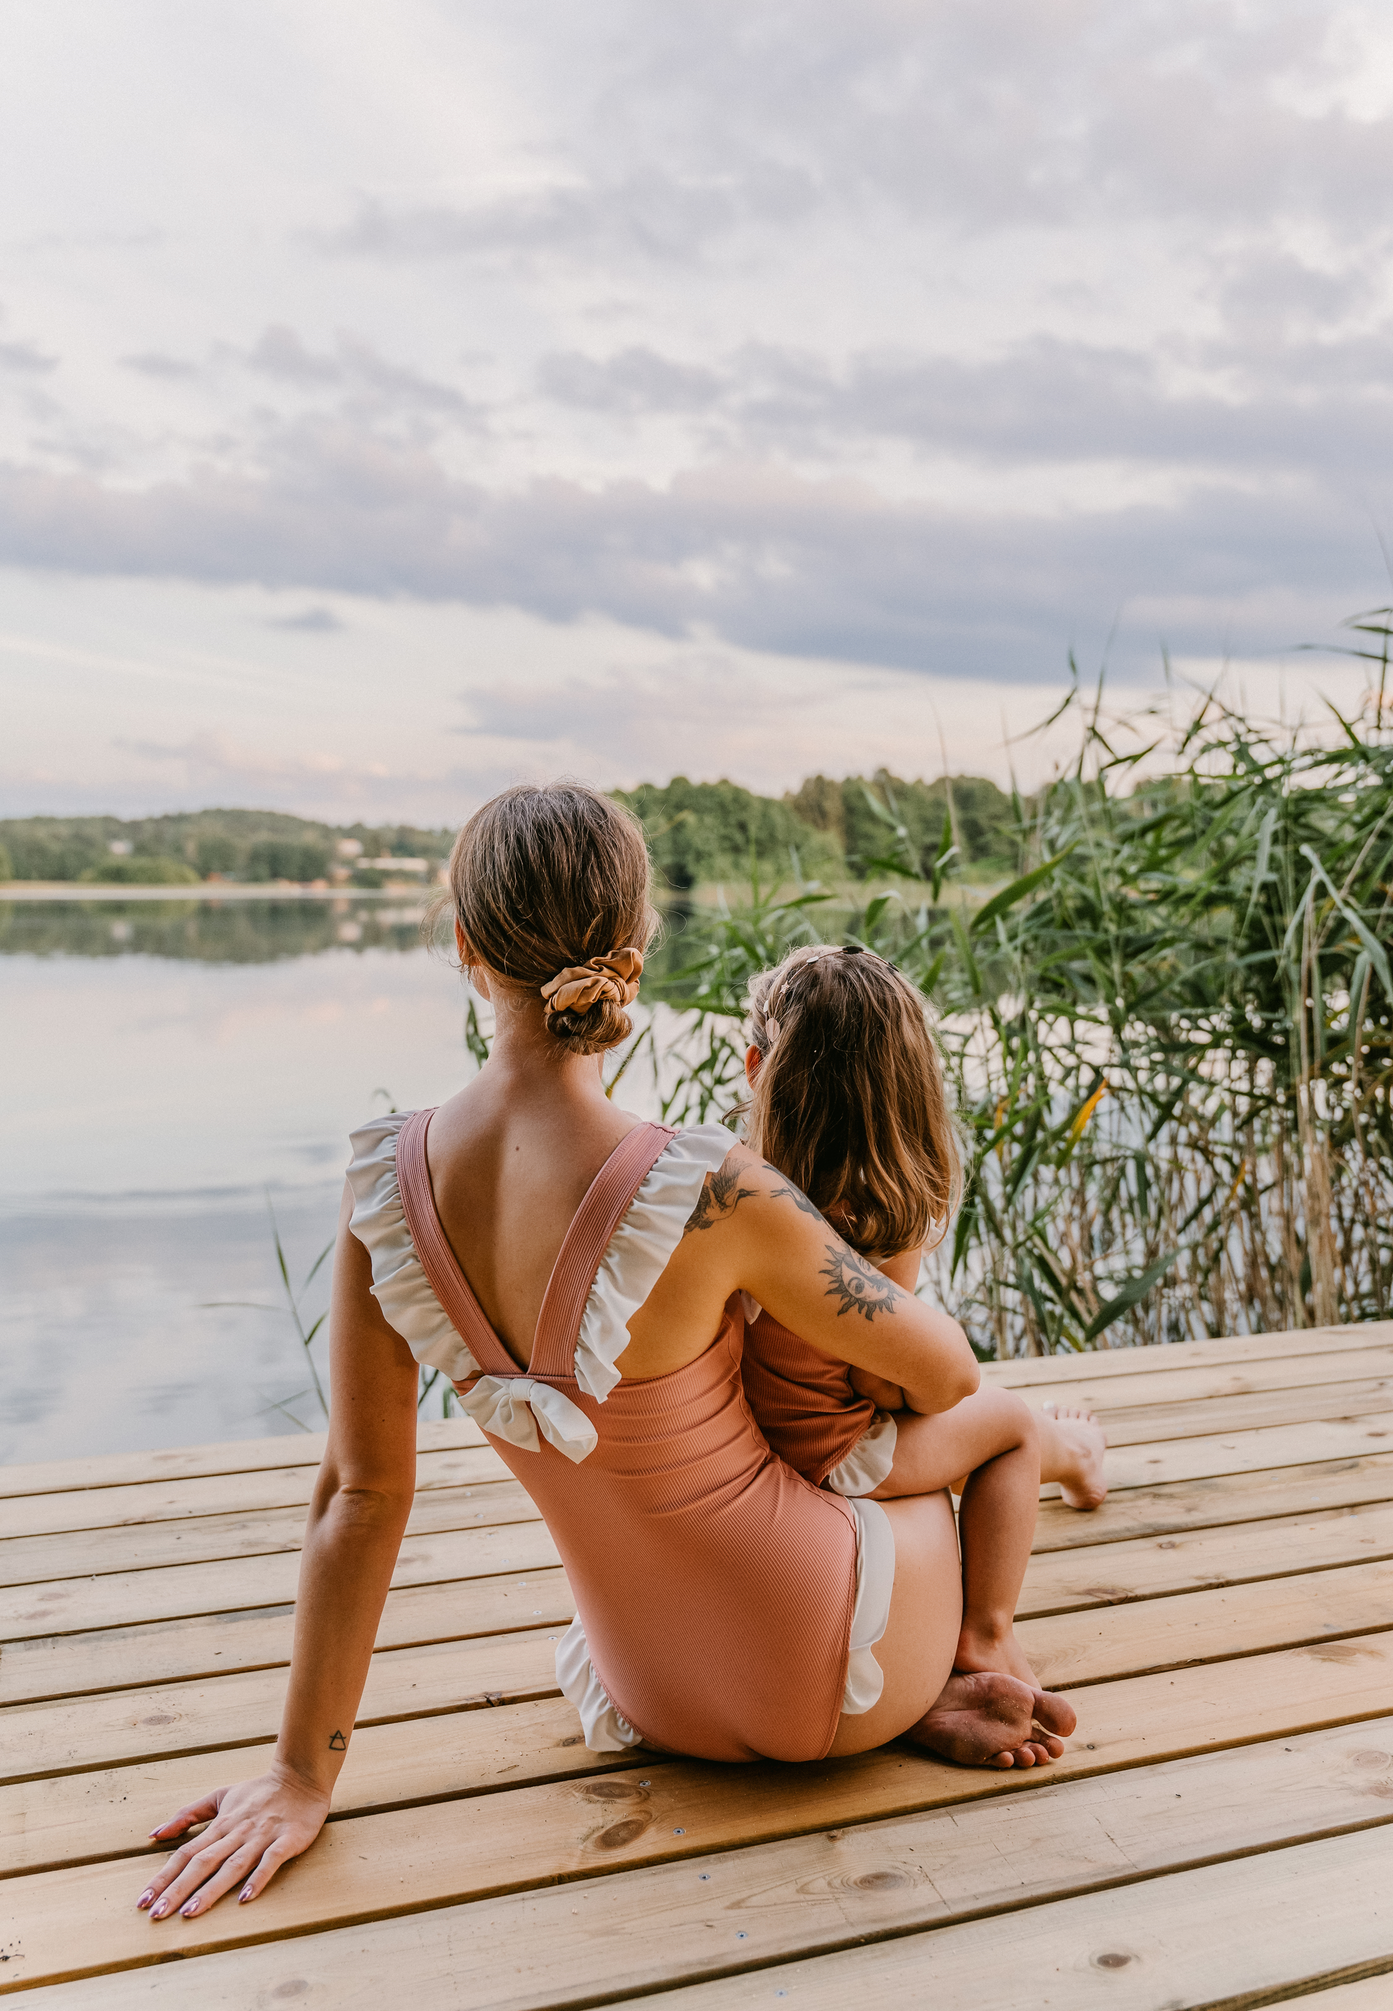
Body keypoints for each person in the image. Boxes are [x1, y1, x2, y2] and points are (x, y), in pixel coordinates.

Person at [137, 784, 1074, 1927]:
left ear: (468, 948)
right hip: (838, 1655)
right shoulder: (711, 1187)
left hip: (655, 1695)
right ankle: (947, 1665)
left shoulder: (384, 1189)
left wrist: (297, 1774)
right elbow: (944, 1372)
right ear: (634, 950)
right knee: (984, 1439)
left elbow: (359, 1495)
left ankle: (922, 1669)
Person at [738, 944, 1108, 1703]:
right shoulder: (877, 1215)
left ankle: (1076, 1458)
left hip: (754, 1438)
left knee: (990, 1419)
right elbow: (889, 1376)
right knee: (1004, 1423)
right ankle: (988, 1629)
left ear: (756, 1070)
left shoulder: (738, 1192)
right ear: (912, 1085)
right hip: (835, 1454)